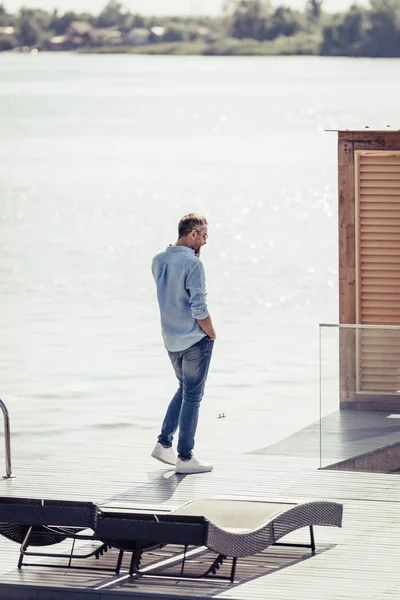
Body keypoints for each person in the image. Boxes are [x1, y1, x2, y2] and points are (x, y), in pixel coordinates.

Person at [151, 213, 216, 474]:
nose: (205, 242)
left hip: (171, 340)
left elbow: (172, 296)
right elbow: (199, 308)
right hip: (193, 340)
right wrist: (212, 333)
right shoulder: (193, 265)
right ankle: (185, 457)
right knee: (193, 395)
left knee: (184, 388)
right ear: (193, 234)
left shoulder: (158, 260)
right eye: (204, 236)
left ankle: (164, 443)